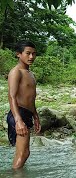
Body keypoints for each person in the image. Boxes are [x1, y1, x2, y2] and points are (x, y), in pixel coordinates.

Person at [7, 40, 41, 169]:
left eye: (34, 54)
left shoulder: (30, 74)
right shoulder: (16, 72)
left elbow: (31, 98)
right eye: (28, 53)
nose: (31, 57)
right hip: (18, 114)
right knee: (24, 153)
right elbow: (12, 96)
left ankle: (15, 173)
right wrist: (18, 120)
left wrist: (35, 116)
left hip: (27, 114)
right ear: (18, 54)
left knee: (22, 153)